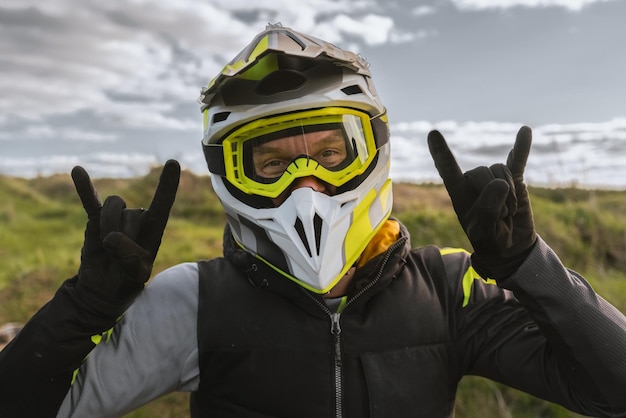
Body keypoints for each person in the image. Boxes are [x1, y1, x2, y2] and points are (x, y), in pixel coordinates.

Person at [0, 23, 625, 418]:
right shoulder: (191, 300)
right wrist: (84, 307)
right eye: (268, 163)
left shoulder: (449, 290)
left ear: (372, 151)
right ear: (226, 173)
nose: (307, 186)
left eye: (331, 153)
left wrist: (528, 266)